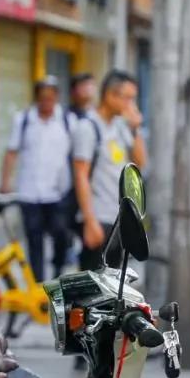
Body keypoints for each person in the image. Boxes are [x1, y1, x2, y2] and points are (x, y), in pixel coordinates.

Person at [0, 77, 74, 281]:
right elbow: (12, 152)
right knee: (34, 239)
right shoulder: (23, 120)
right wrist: (5, 181)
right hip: (29, 192)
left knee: (62, 234)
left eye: (50, 98)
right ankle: (38, 286)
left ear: (57, 98)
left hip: (57, 192)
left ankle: (58, 272)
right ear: (36, 98)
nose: (46, 102)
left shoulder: (67, 121)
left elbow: (77, 157)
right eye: (43, 98)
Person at [72, 71, 147, 270]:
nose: (131, 104)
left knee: (112, 288)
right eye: (127, 98)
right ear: (110, 95)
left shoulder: (120, 126)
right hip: (97, 217)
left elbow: (140, 162)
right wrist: (89, 221)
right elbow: (80, 174)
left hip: (117, 219)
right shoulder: (88, 127)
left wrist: (136, 128)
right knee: (92, 287)